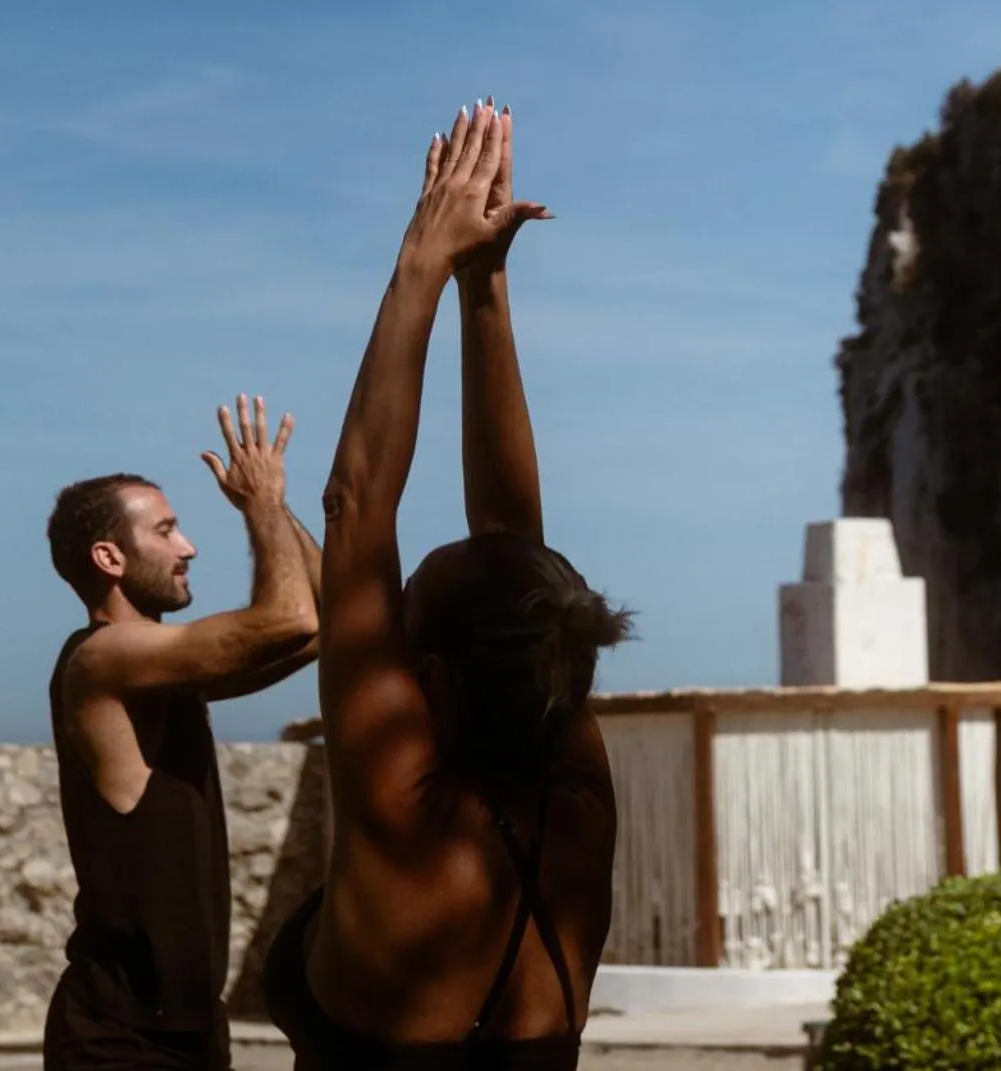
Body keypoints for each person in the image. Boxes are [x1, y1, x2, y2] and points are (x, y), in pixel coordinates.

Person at [265, 102, 631, 1070]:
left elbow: (356, 503)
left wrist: (421, 258)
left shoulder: (401, 807)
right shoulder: (577, 790)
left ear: (427, 673)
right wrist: (485, 287)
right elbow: (512, 550)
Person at [43, 394, 321, 1071]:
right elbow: (288, 620)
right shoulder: (101, 659)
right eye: (166, 530)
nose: (188, 546)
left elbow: (321, 617)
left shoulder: (164, 674)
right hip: (118, 1042)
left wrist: (273, 509)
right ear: (109, 556)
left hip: (192, 1033)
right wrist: (260, 503)